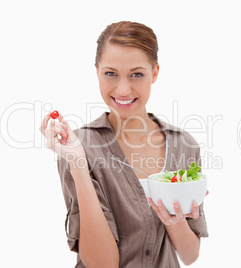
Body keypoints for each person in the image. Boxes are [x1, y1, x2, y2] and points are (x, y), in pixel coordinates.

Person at [39, 21, 209, 268]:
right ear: (96, 71)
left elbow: (190, 255)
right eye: (110, 73)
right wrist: (77, 164)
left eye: (137, 74)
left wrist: (174, 219)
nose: (123, 88)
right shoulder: (77, 146)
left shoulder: (184, 145)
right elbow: (102, 265)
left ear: (155, 73)